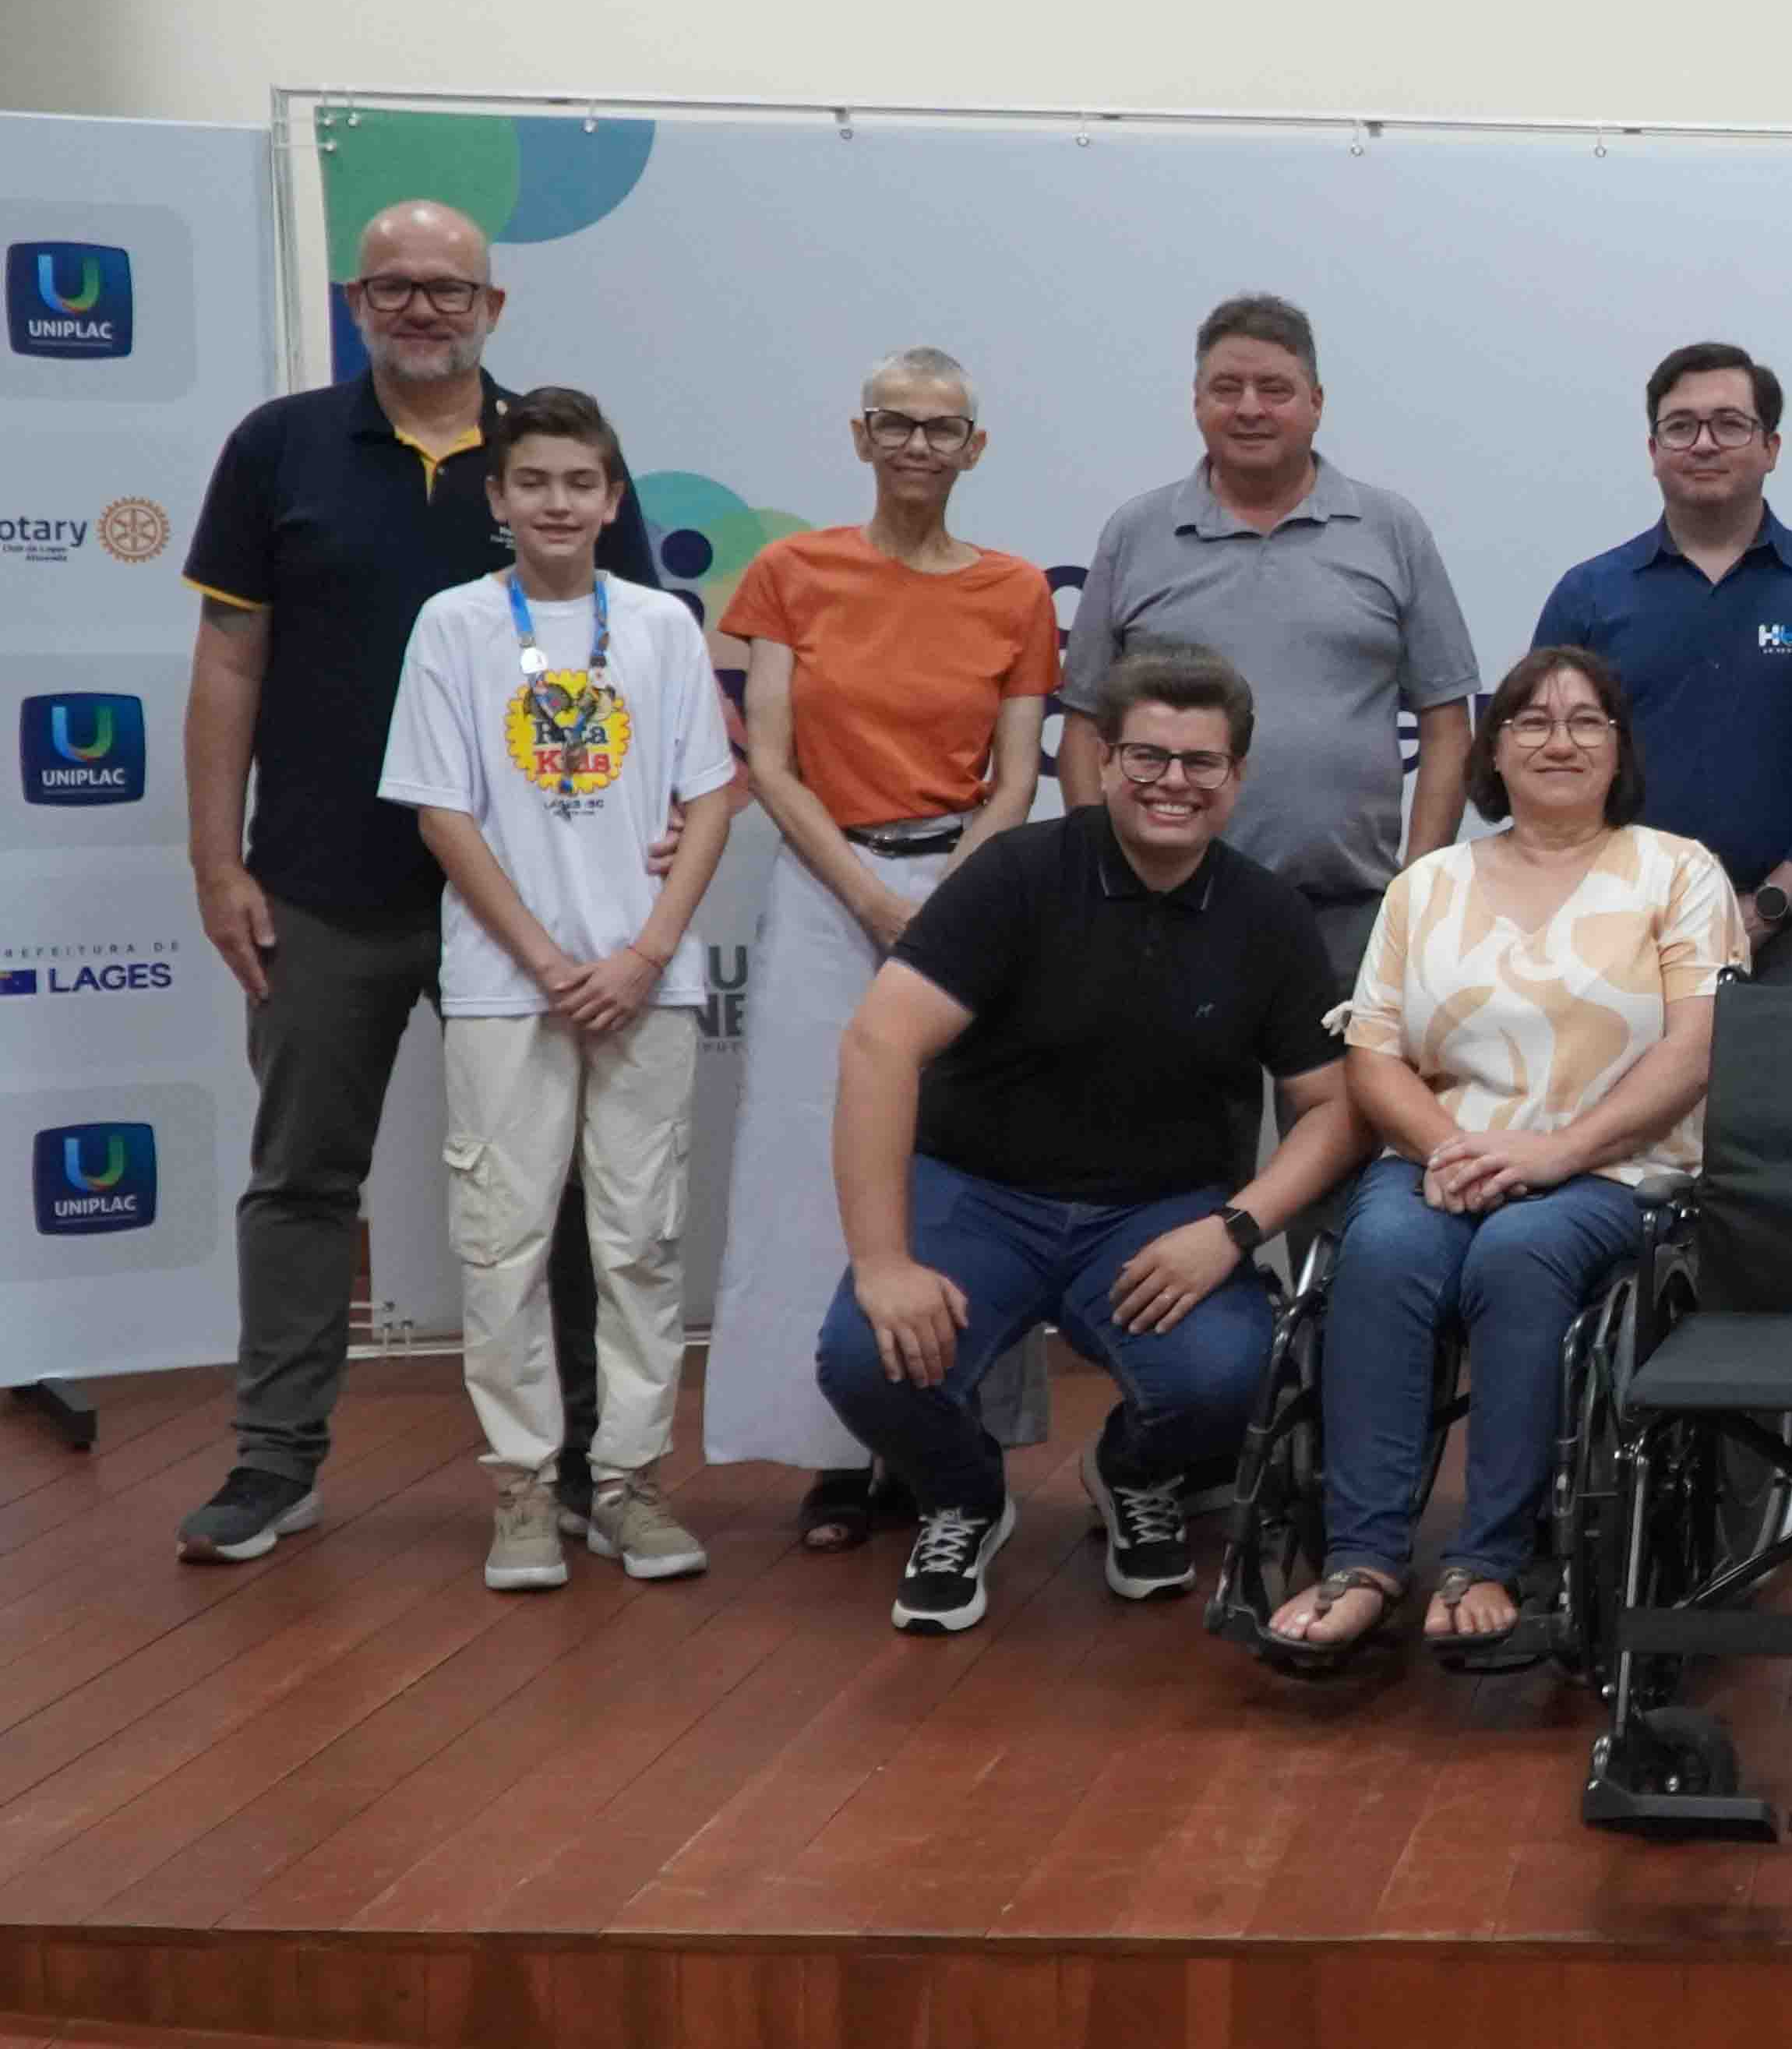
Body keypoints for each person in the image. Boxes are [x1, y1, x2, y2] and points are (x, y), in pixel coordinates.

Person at [172, 200, 668, 1565]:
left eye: (449, 288)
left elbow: (631, 657)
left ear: (493, 307)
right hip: (326, 883)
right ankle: (275, 1461)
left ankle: (587, 1466)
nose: (422, 308)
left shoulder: (550, 451)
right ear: (356, 302)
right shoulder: (278, 446)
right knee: (301, 1175)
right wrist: (217, 860)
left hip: (533, 906)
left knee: (567, 1186)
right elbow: (228, 661)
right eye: (393, 285)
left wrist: (658, 834)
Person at [815, 644, 1357, 1635]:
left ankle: (1134, 1469)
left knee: (1229, 1374)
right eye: (1147, 756)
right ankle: (965, 1495)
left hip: (1158, 1215)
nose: (1172, 782)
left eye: (1200, 762)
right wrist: (883, 1261)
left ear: (1236, 777)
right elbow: (878, 1044)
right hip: (981, 1195)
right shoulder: (1017, 874)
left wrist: (1233, 1230)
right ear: (1103, 761)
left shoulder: (1267, 914)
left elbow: (1332, 1106)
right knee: (864, 1353)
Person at [1261, 647, 1747, 1656]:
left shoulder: (1678, 871)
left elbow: (1695, 1047)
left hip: (1618, 1165)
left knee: (1519, 1254)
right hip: (1442, 1155)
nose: (1558, 741)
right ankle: (1362, 1558)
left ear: (1619, 747)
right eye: (1531, 720)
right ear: (1493, 748)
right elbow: (1372, 1054)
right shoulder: (1428, 883)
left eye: (1585, 720)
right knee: (1382, 1250)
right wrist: (1458, 1149)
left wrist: (1555, 1153)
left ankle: (1488, 1557)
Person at [376, 388, 741, 1591]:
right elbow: (442, 812)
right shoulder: (454, 625)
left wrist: (643, 955)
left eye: (580, 483)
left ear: (612, 498)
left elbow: (711, 800)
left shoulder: (662, 626)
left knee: (641, 1242)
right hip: (505, 986)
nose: (557, 503)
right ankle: (525, 1487)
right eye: (532, 482)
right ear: (497, 497)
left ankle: (628, 1483)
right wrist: (543, 958)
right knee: (504, 1243)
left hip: (645, 983)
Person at [703, 348, 1060, 1550]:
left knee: (958, 1158)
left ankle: (943, 1441)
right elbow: (769, 762)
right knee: (812, 1158)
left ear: (975, 448)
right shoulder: (791, 573)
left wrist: (942, 904)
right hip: (825, 882)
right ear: (860, 437)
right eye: (895, 424)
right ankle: (833, 1451)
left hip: (968, 881)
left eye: (941, 428)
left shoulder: (1015, 589)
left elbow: (1016, 778)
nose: (917, 446)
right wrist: (866, 895)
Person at [1059, 293, 1479, 989]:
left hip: (1351, 918)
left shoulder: (1391, 531)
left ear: (1316, 403)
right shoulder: (1135, 534)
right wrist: (1101, 871)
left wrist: (1416, 889)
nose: (1249, 408)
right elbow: (1081, 724)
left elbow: (1445, 724)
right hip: (1164, 910)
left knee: (1342, 1071)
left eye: (1275, 389)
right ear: (1196, 403)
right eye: (1227, 388)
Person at [1531, 340, 1792, 986]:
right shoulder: (1588, 597)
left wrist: (1767, 907)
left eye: (1730, 424)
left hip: (1788, 928)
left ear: (1772, 448)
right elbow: (1541, 760)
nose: (1704, 443)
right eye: (1681, 427)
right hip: (1611, 924)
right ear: (1653, 450)